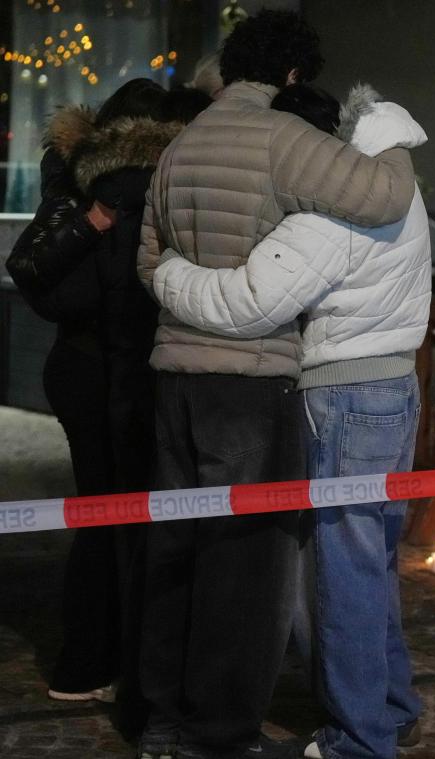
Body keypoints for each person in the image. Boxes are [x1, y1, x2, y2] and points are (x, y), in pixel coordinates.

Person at [133, 10, 417, 759]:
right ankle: (219, 733)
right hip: (249, 383)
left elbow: (148, 259)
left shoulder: (180, 144)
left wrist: (174, 282)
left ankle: (159, 720)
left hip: (172, 379)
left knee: (175, 552)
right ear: (293, 73)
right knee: (247, 565)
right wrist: (392, 136)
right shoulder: (282, 138)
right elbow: (383, 198)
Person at [5, 78, 207, 737]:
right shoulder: (160, 188)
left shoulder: (79, 185)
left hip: (80, 368)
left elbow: (33, 270)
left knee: (101, 513)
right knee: (143, 522)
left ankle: (83, 662)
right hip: (133, 374)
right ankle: (128, 671)